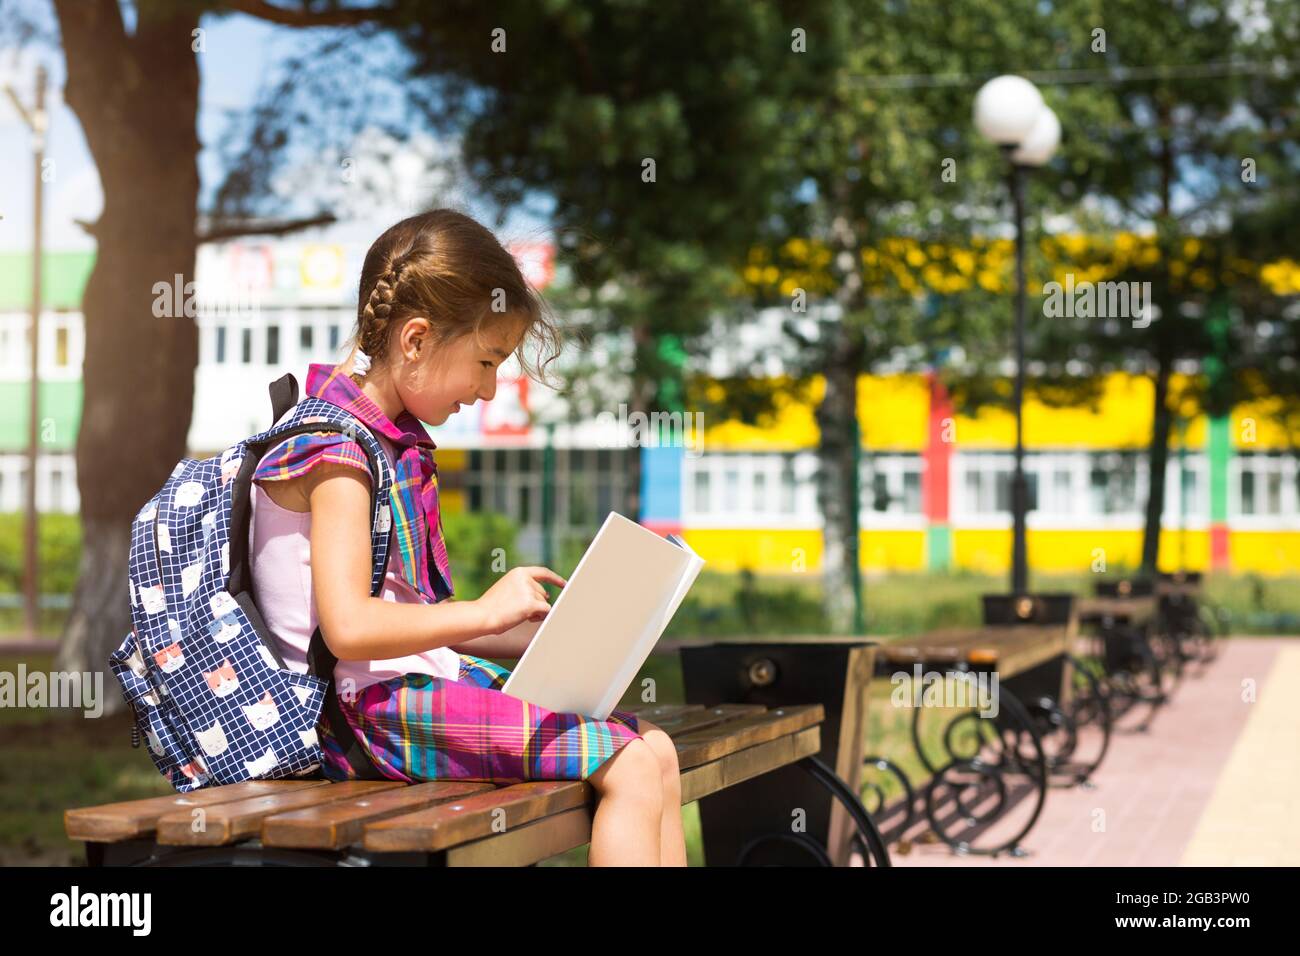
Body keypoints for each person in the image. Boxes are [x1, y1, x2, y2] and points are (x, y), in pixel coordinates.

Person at [247, 209, 685, 866]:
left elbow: (416, 621)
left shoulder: (386, 444)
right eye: (486, 362)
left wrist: (553, 632)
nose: (486, 390)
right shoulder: (334, 450)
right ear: (417, 340)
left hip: (404, 689)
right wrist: (482, 610)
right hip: (357, 716)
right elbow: (350, 631)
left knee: (656, 749)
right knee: (625, 763)